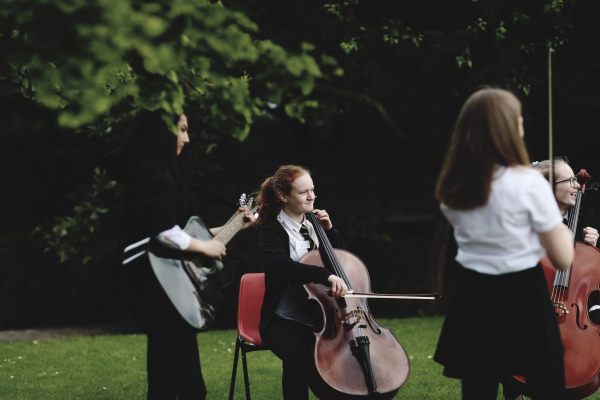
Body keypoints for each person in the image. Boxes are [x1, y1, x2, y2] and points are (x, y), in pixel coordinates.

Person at [433, 88, 574, 400]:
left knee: (479, 389)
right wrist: (557, 223)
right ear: (507, 127)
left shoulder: (453, 187)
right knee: (546, 386)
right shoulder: (528, 182)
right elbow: (563, 257)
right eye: (519, 118)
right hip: (523, 293)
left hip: (474, 294)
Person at [106, 109, 254, 400]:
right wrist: (205, 248)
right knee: (189, 388)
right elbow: (164, 233)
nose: (187, 138)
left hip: (163, 292)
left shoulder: (159, 176)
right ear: (162, 132)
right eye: (182, 129)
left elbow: (182, 234)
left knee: (164, 384)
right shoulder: (153, 179)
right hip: (160, 293)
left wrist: (232, 225)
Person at [255, 165, 348, 400]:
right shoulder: (272, 230)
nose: (311, 197)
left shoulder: (315, 225)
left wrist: (330, 232)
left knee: (347, 350)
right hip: (284, 321)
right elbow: (278, 264)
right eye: (303, 192)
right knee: (297, 352)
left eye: (313, 190)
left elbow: (342, 265)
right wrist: (322, 275)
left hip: (324, 317)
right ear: (283, 196)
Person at [532, 158, 598, 247]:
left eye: (575, 179)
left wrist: (591, 247)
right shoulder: (531, 222)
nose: (578, 185)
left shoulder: (586, 219)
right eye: (570, 180)